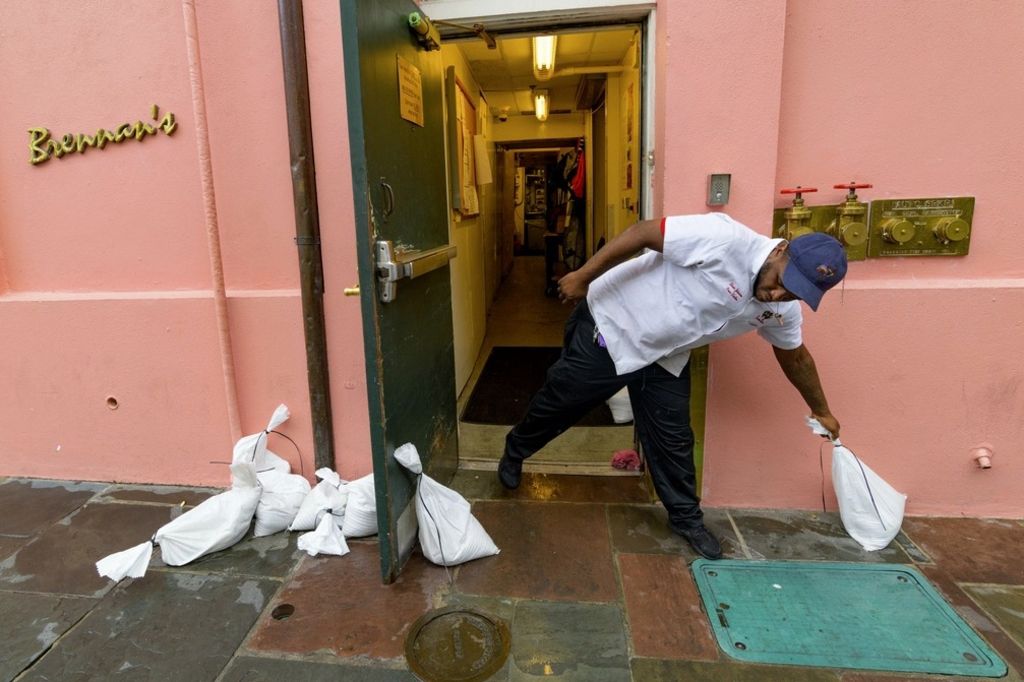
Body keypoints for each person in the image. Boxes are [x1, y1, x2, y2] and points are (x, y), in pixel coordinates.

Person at [497, 213, 846, 560]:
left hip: (665, 354)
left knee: (674, 438)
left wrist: (823, 410)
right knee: (562, 402)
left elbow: (795, 357)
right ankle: (516, 449)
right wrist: (583, 277)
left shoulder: (782, 310)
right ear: (779, 251)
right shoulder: (725, 239)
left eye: (794, 294)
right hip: (613, 323)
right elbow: (642, 233)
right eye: (781, 281)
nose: (777, 294)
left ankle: (686, 519)